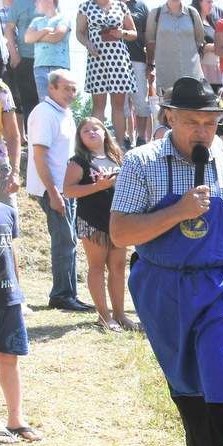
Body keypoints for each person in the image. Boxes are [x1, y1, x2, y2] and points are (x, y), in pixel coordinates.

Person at [109, 76, 223, 446]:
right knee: (185, 376)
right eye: (193, 122)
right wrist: (178, 211)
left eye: (210, 123)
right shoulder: (140, 164)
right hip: (162, 285)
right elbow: (121, 232)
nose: (202, 131)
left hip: (219, 285)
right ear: (170, 118)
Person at [61, 117, 135, 331]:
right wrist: (98, 186)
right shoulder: (78, 161)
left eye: (96, 128)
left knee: (118, 267)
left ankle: (120, 315)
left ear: (105, 132)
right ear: (80, 137)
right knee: (97, 267)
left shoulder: (118, 157)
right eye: (85, 130)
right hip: (92, 220)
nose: (91, 132)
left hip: (118, 219)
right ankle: (104, 316)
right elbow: (69, 190)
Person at [28, 69, 89, 311]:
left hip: (64, 189)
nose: (72, 94)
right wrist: (53, 193)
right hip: (51, 189)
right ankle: (62, 295)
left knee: (69, 240)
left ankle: (69, 293)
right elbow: (40, 156)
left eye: (74, 89)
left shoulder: (64, 112)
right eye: (66, 89)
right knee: (64, 240)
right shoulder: (45, 113)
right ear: (51, 88)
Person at [77, 0, 138, 147]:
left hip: (118, 58)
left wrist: (122, 33)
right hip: (97, 58)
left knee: (118, 104)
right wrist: (88, 44)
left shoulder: (121, 6)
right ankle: (97, 145)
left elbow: (133, 33)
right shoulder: (85, 7)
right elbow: (79, 32)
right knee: (98, 104)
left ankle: (118, 145)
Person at [0, 195, 39, 443]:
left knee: (9, 358)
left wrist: (19, 294)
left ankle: (15, 418)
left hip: (8, 297)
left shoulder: (6, 211)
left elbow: (11, 255)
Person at [145, 0, 206, 99]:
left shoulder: (192, 13)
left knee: (192, 110)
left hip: (192, 73)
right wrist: (150, 65)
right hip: (166, 73)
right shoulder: (155, 13)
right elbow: (150, 42)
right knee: (168, 111)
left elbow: (200, 40)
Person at [112, 0, 151, 146]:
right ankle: (125, 138)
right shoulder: (107, 4)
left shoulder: (141, 6)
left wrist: (151, 63)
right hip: (113, 60)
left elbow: (148, 37)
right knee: (121, 104)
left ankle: (142, 137)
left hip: (137, 58)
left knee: (141, 100)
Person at [5, 0, 47, 129]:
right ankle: (34, 143)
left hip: (49, 59)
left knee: (50, 101)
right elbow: (9, 28)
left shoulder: (52, 1)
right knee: (30, 102)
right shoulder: (19, 2)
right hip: (26, 58)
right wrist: (14, 53)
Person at [24, 0, 68, 101]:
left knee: (60, 101)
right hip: (40, 67)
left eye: (39, 0)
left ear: (50, 2)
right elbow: (28, 38)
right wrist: (44, 31)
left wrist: (37, 37)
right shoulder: (36, 21)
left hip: (59, 67)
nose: (35, 4)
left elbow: (56, 37)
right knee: (44, 102)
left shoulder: (63, 18)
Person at [0, 73, 21, 206]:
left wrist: (15, 173)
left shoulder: (0, 89)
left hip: (0, 167)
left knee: (7, 223)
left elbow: (13, 135)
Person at [191, 0, 222, 90]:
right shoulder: (192, 22)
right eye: (208, 2)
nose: (211, 5)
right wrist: (212, 47)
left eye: (212, 2)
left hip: (216, 71)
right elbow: (194, 46)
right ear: (199, 2)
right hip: (201, 71)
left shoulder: (212, 22)